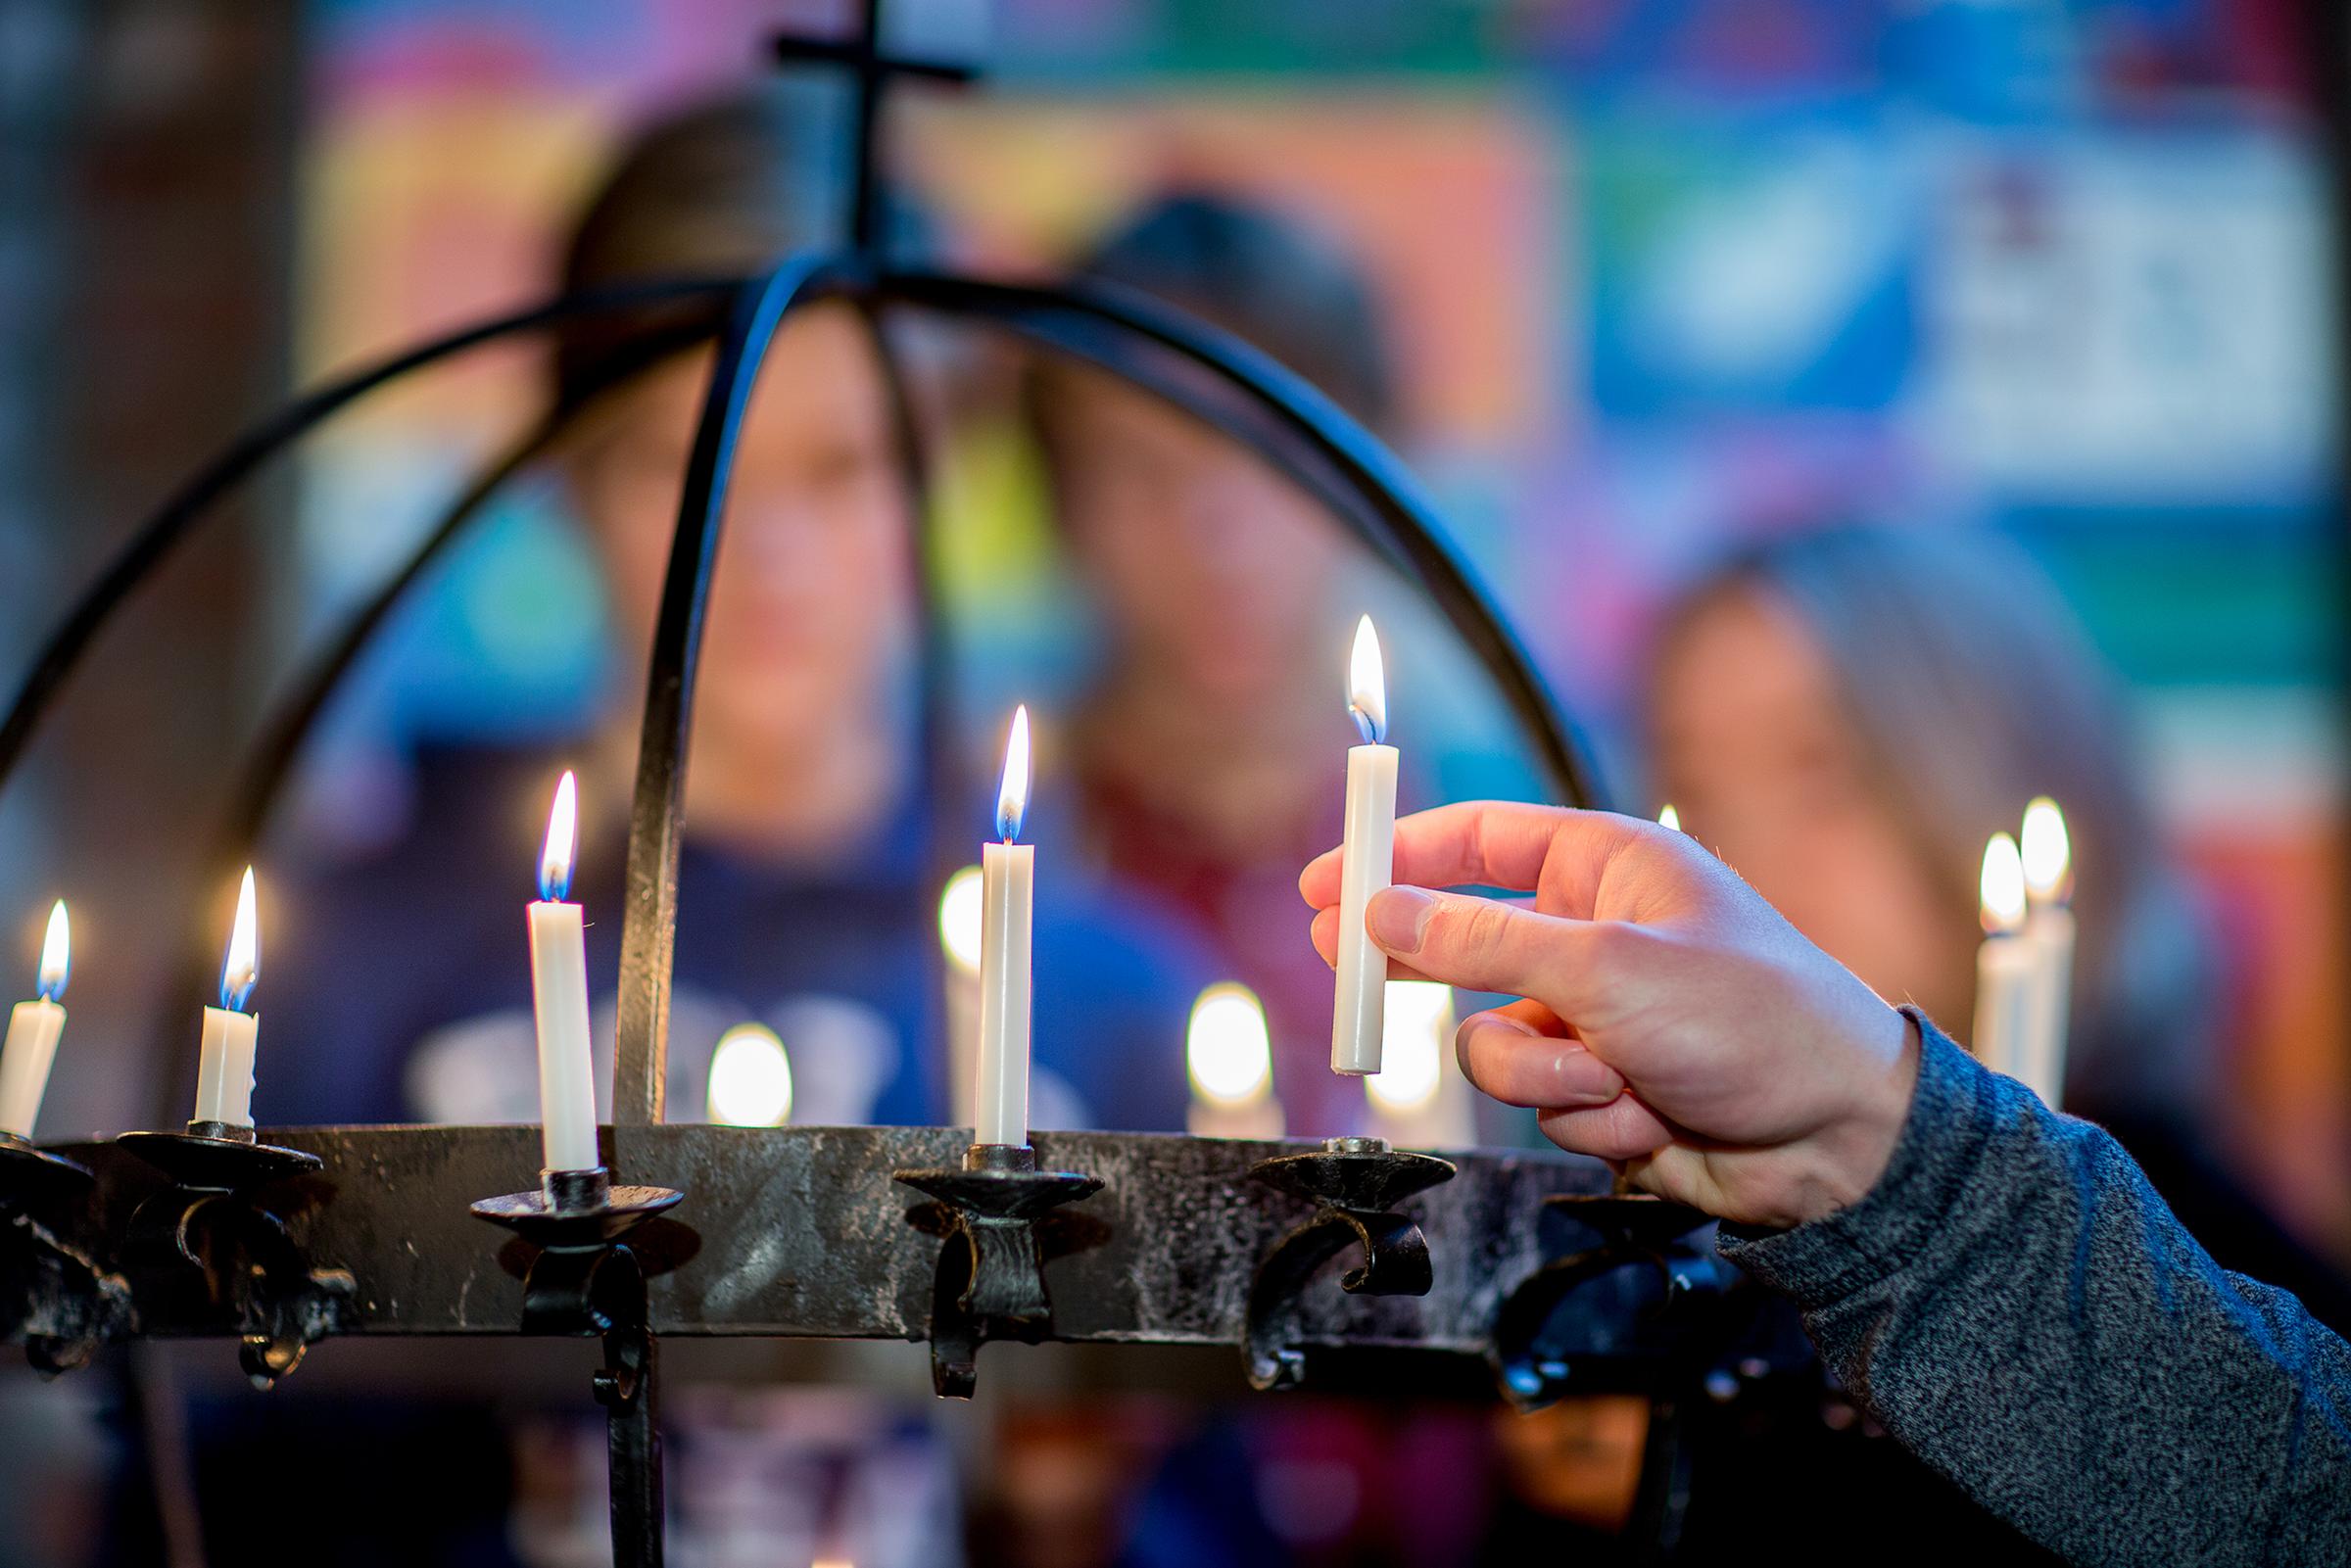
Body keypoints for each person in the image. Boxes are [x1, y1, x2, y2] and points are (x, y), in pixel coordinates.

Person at [1301, 801, 2351, 1562]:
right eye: (1697, 761)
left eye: (1812, 769)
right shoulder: (1684, 1238)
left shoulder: (2196, 1231)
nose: (1733, 851)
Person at [1644, 526, 2351, 1328]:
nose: (1740, 859)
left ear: (1990, 781)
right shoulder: (1677, 1263)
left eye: (1821, 770)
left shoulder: (2201, 1285)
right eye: (1694, 790)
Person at [1033, 190, 1407, 1135]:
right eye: (1142, 467)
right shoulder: (992, 845)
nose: (1218, 534)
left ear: (1367, 471)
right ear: (1064, 502)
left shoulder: (1507, 841)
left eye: (1271, 455)